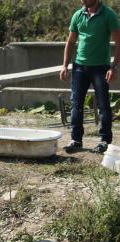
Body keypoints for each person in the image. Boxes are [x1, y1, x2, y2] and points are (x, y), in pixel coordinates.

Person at [60, 0, 120, 154]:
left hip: (101, 67)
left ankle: (104, 141)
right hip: (79, 67)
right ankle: (76, 139)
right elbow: (71, 41)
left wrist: (114, 67)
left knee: (103, 105)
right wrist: (65, 65)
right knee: (76, 104)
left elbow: (118, 42)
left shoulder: (109, 15)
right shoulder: (78, 15)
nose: (82, 0)